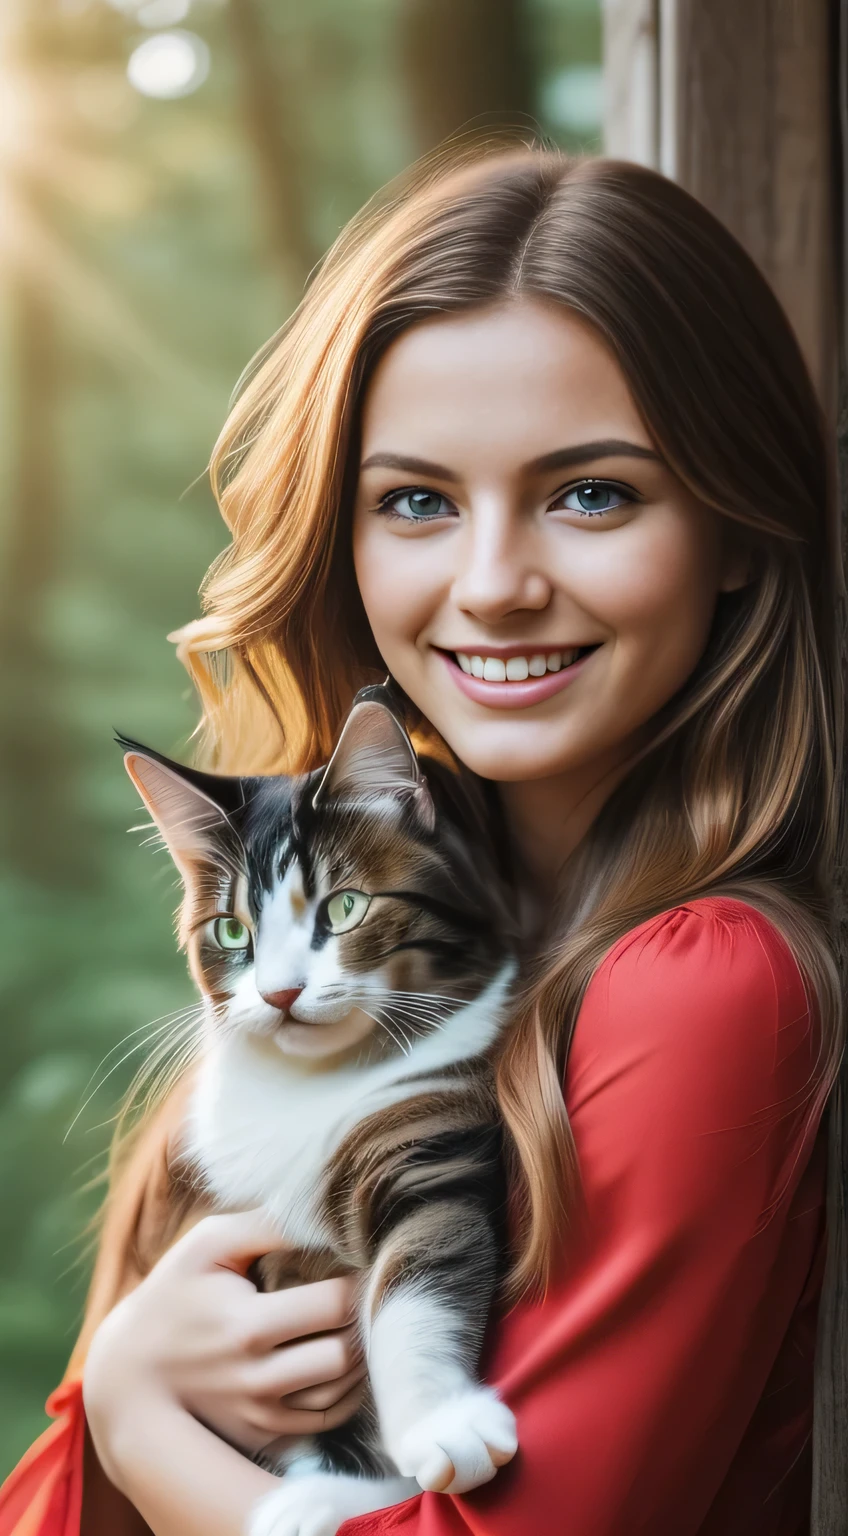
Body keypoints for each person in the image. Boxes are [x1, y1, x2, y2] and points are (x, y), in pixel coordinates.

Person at [0, 145, 844, 1536]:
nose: (495, 584)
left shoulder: (702, 987)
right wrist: (125, 1386)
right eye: (416, 502)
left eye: (592, 494)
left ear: (738, 530)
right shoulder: (368, 933)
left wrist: (144, 1428)